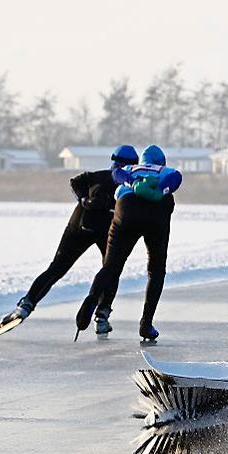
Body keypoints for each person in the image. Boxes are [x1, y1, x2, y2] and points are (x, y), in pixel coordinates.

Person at [0, 145, 139, 335]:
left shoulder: (96, 176)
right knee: (111, 270)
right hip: (107, 229)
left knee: (57, 268)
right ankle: (102, 314)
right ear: (134, 164)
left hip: (79, 225)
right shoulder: (133, 184)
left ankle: (25, 305)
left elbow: (75, 182)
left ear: (113, 161)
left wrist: (82, 200)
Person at [75, 145, 182, 342]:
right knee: (156, 270)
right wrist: (160, 190)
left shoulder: (130, 169)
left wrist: (132, 183)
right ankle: (146, 324)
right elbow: (176, 177)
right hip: (157, 214)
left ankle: (91, 299)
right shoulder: (163, 170)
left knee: (111, 266)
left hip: (127, 209)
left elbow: (116, 174)